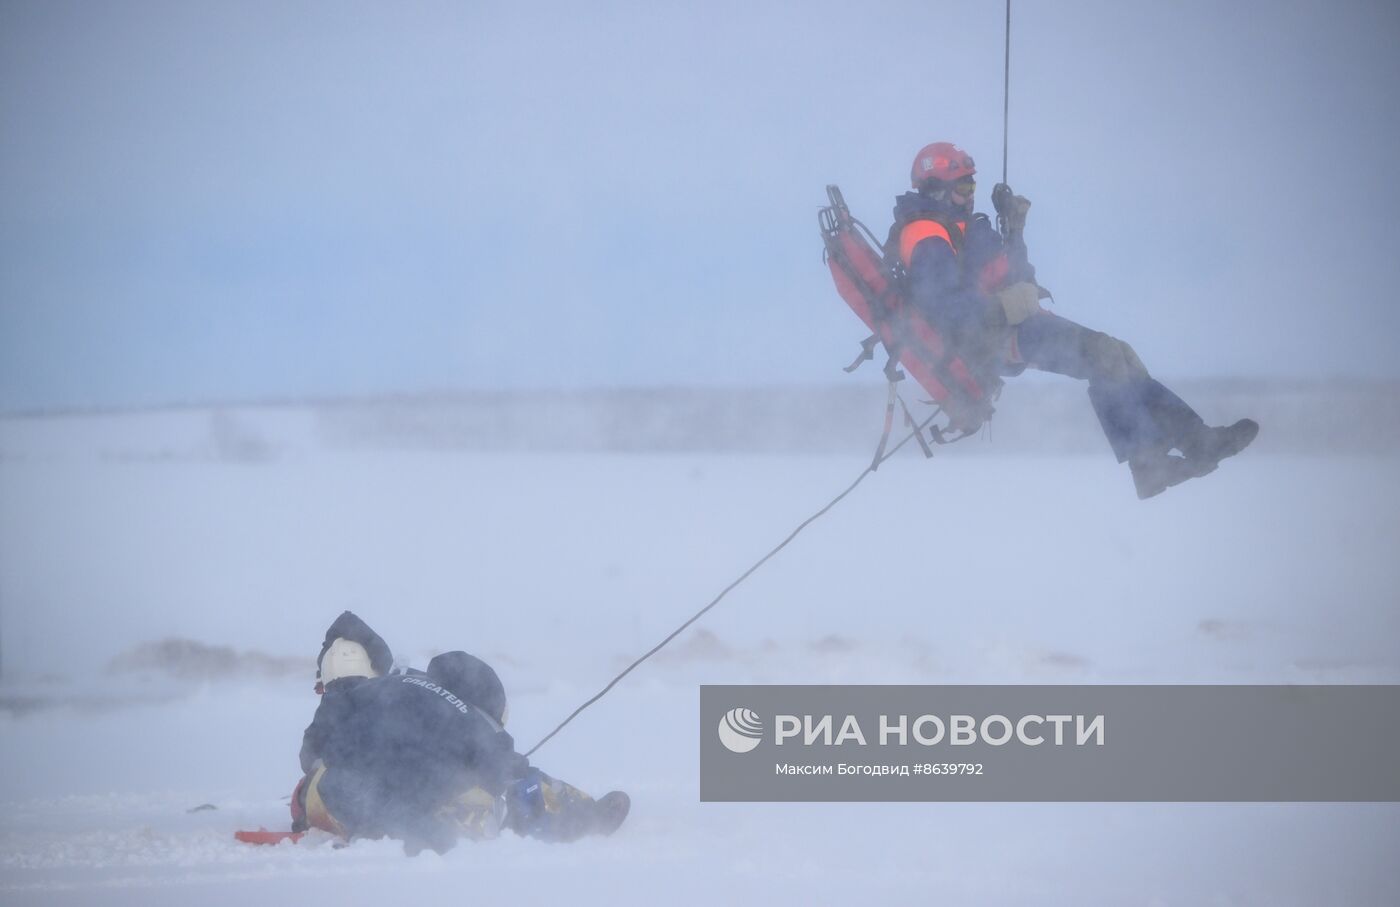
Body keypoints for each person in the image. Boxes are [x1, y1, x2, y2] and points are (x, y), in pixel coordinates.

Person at [890, 142, 1258, 498]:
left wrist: (1014, 230)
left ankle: (1194, 440)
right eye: (963, 186)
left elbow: (1013, 275)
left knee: (1118, 354)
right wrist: (1006, 306)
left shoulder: (960, 226)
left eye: (973, 184)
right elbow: (945, 313)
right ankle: (1149, 464)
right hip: (988, 340)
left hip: (1013, 323)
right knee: (1103, 356)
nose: (971, 194)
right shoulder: (926, 235)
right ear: (936, 188)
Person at [291, 611, 629, 853]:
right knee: (516, 780)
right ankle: (582, 813)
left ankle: (428, 831)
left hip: (403, 787)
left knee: (334, 785)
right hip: (463, 766)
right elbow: (502, 757)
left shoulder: (348, 698)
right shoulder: (429, 686)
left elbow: (313, 752)